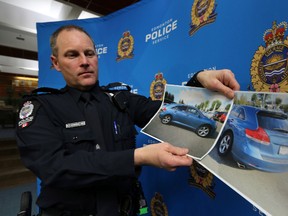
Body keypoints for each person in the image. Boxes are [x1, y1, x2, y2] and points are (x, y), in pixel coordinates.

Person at [16, 24, 240, 216]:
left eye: (90, 53)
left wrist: (200, 80)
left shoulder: (120, 100)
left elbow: (169, 114)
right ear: (55, 63)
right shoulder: (41, 108)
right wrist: (137, 157)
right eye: (72, 55)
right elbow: (55, 167)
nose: (84, 61)